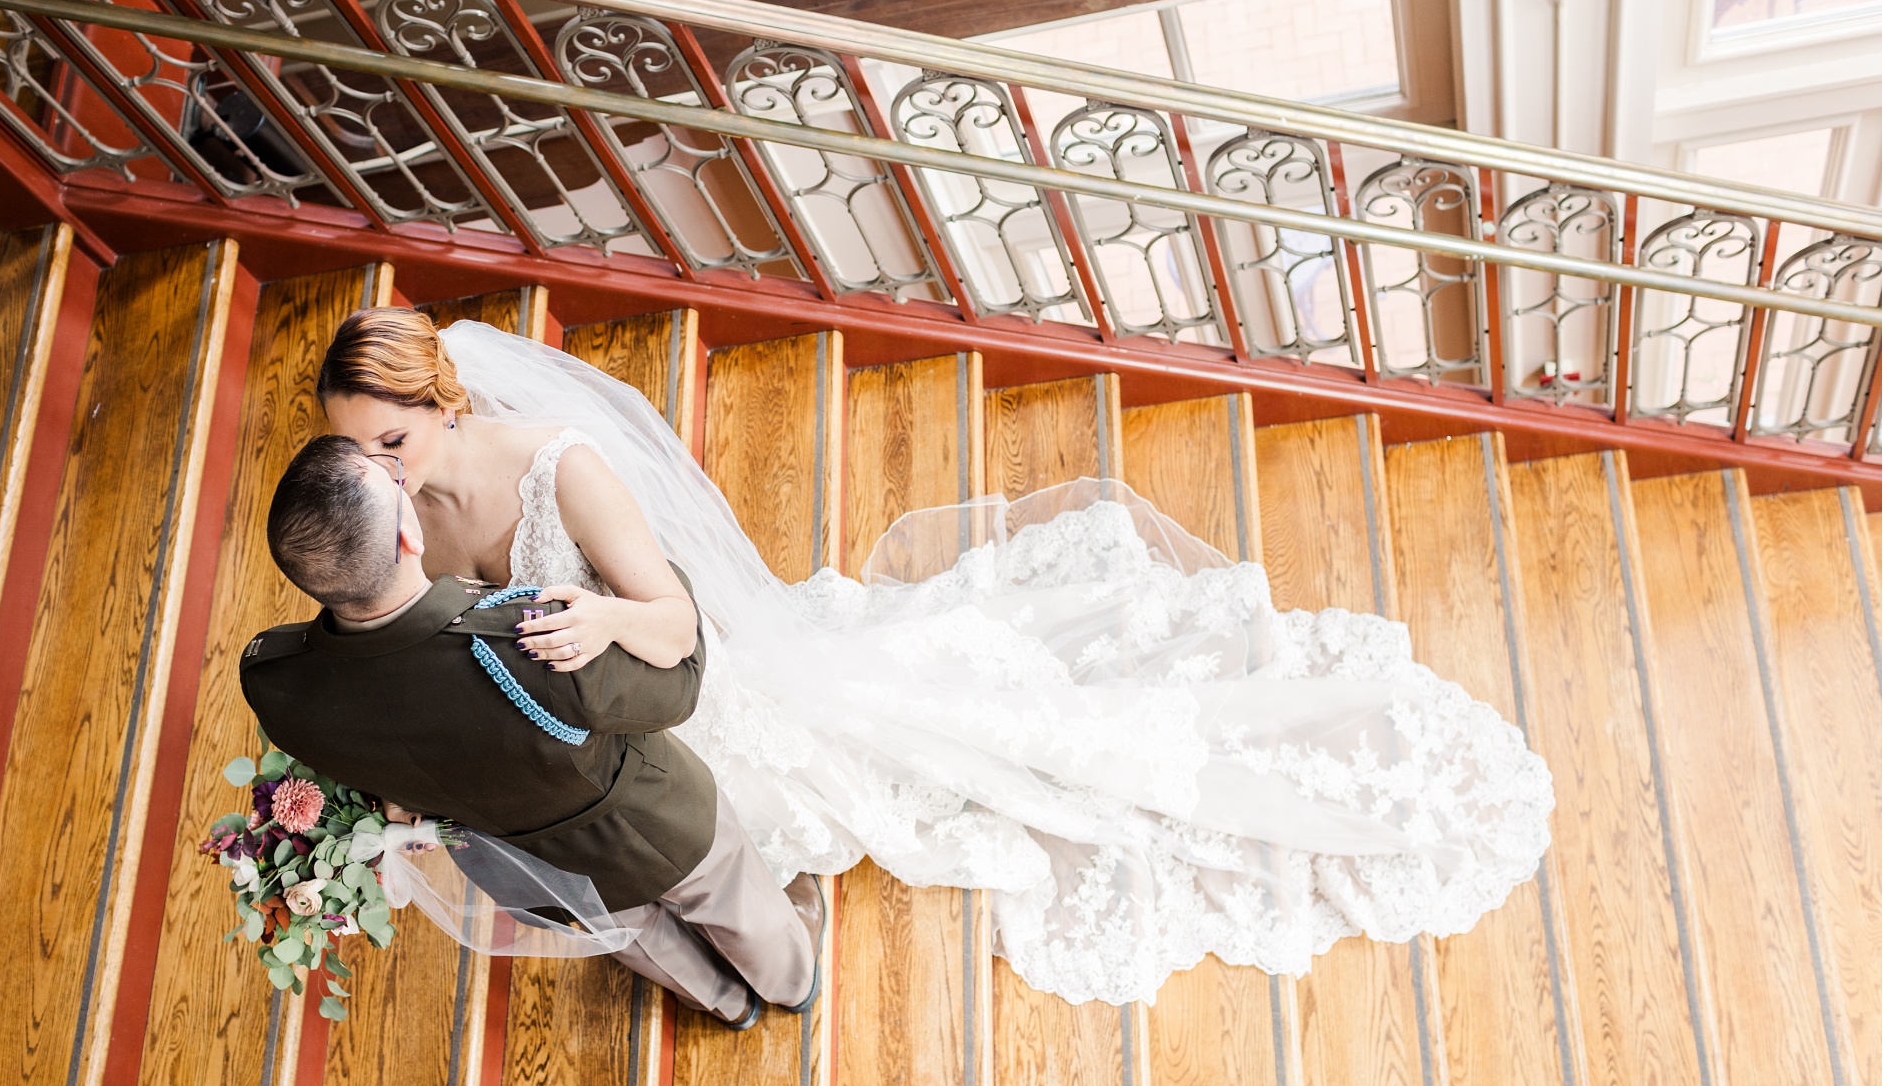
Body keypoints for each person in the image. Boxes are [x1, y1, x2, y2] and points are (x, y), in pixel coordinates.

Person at [308, 307, 1555, 1008]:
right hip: (588, 721)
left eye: (389, 440)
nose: (376, 469)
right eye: (356, 450)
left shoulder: (558, 467)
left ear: (447, 405)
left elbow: (680, 627)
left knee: (856, 786)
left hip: (661, 681)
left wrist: (601, 621)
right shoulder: (390, 517)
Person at [240, 434, 823, 1029]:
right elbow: (680, 686)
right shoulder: (527, 642)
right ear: (409, 537)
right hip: (642, 823)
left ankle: (725, 1002)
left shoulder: (273, 680)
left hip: (514, 862)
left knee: (629, 931)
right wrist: (646, 593)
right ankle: (789, 980)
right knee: (729, 899)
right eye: (390, 478)